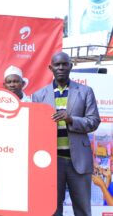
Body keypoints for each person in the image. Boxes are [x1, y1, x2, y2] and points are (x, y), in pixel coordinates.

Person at [32, 52, 101, 216]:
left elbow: (94, 121)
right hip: (51, 163)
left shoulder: (85, 91)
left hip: (78, 161)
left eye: (64, 64)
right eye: (57, 65)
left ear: (71, 66)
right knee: (52, 210)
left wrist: (71, 119)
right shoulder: (39, 95)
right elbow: (34, 129)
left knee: (83, 209)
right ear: (51, 68)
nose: (61, 67)